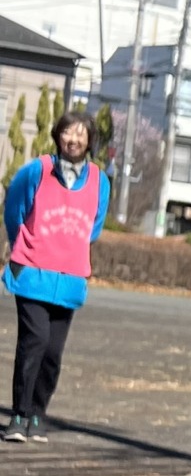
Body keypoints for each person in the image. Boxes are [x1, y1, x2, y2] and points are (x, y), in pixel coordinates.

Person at [3, 104, 110, 442]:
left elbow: (94, 226)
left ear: (90, 141)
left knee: (52, 353)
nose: (72, 139)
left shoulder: (99, 180)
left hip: (69, 277)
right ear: (57, 136)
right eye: (67, 132)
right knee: (33, 341)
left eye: (80, 134)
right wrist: (24, 244)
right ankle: (19, 415)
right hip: (32, 273)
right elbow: (14, 210)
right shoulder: (38, 170)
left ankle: (38, 413)